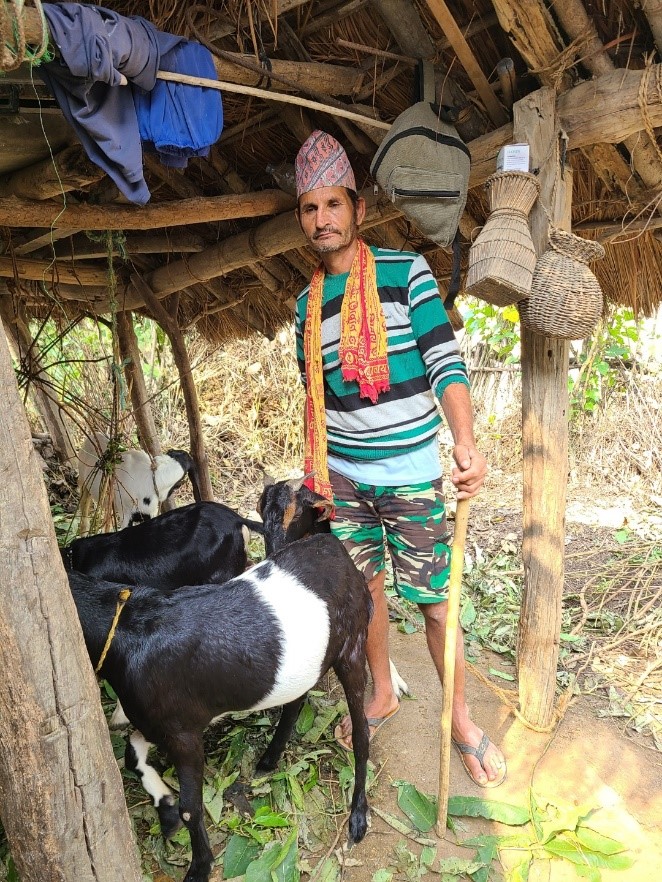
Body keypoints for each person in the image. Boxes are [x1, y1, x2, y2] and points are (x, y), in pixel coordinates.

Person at [292, 130, 506, 788]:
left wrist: (464, 441)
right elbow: (318, 405)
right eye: (309, 208)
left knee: (435, 604)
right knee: (367, 594)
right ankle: (382, 692)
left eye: (333, 204)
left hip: (412, 475)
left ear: (356, 208)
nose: (322, 219)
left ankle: (462, 721)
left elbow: (445, 362)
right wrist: (321, 479)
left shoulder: (405, 273)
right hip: (348, 483)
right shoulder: (305, 309)